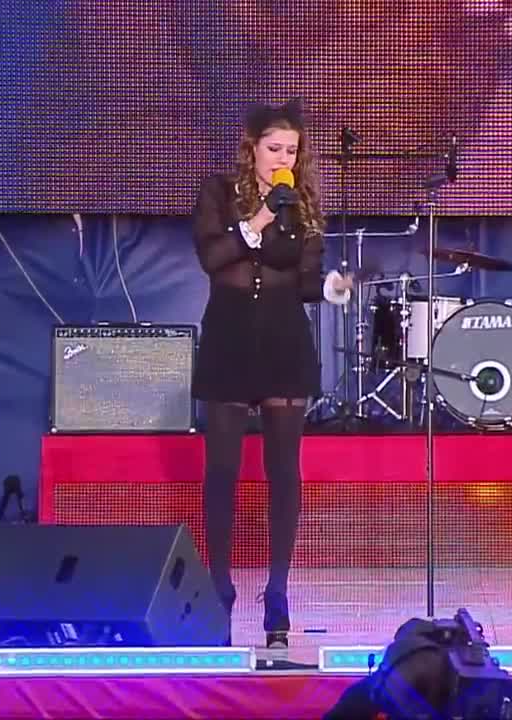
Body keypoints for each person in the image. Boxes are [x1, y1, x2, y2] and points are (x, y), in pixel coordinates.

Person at [190, 97, 353, 649]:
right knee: (222, 471)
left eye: (291, 151)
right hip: (230, 338)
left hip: (284, 341)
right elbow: (213, 259)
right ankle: (219, 586)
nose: (283, 159)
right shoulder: (218, 193)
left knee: (284, 471)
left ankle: (277, 591)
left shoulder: (301, 205)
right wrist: (257, 220)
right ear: (253, 149)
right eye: (274, 149)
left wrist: (329, 288)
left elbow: (302, 279)